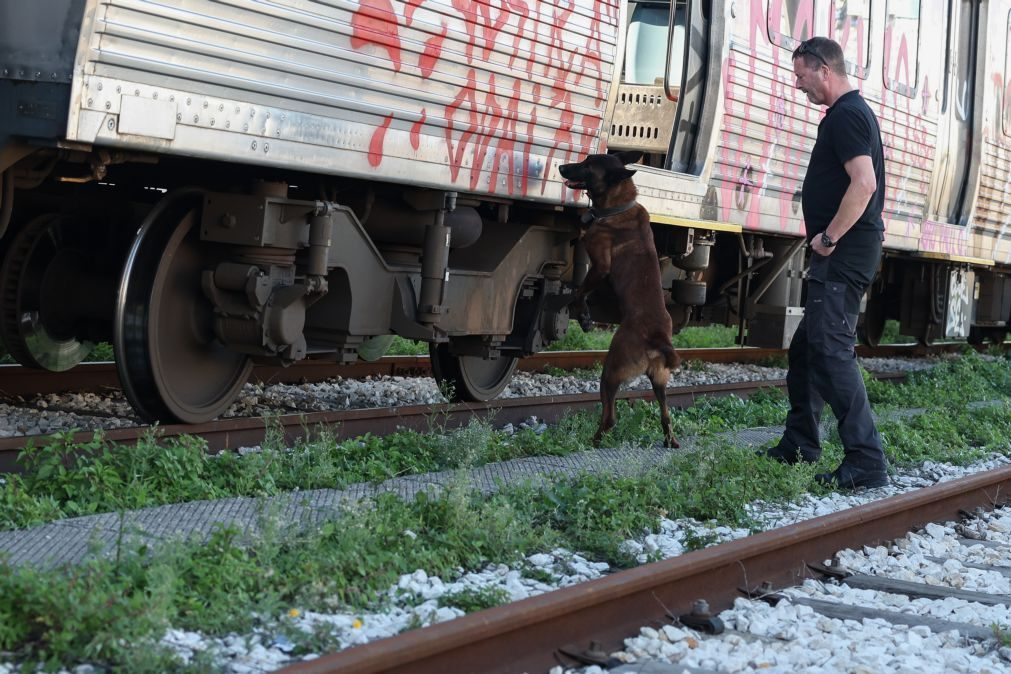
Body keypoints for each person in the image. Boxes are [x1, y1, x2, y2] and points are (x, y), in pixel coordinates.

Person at [760, 37, 888, 489]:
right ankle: (800, 443)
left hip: (845, 251)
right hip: (843, 251)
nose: (798, 86)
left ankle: (866, 459)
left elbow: (864, 183)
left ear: (824, 71)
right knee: (808, 350)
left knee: (832, 352)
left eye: (801, 76)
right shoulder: (845, 114)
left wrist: (830, 237)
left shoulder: (849, 116)